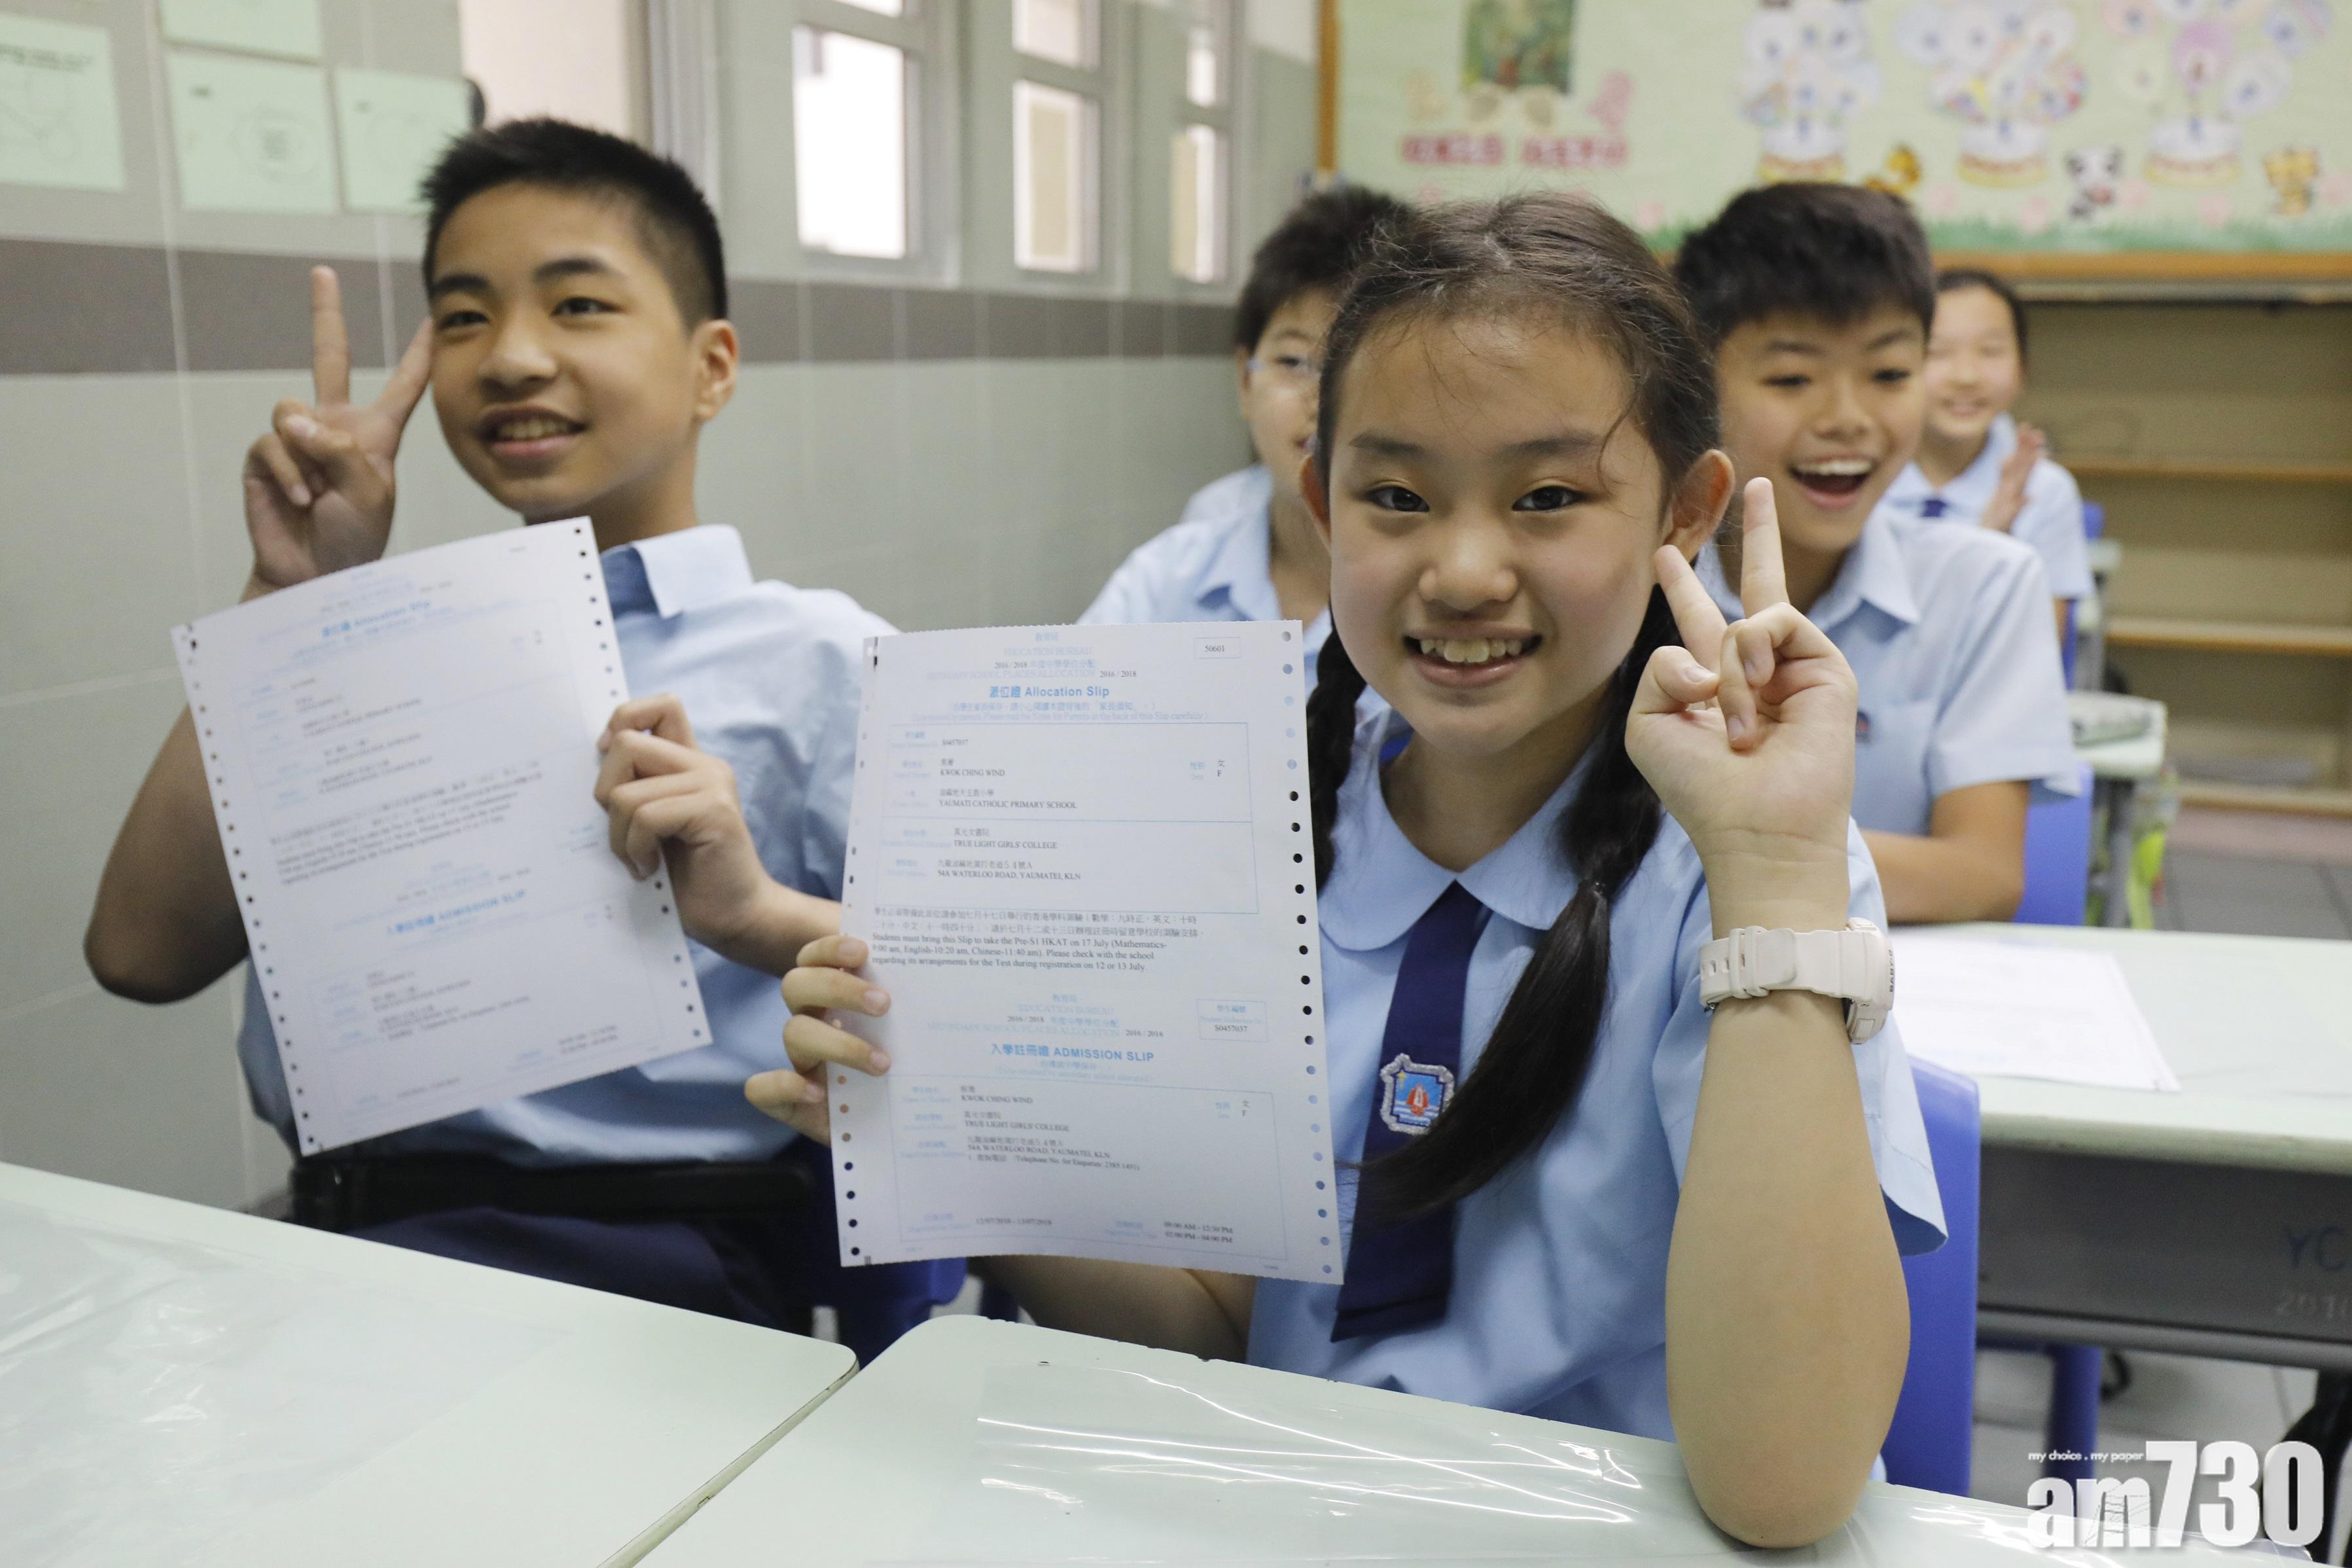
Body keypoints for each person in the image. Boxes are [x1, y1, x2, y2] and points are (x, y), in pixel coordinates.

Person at [753, 194, 1945, 1548]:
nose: (1463, 568)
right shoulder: (1220, 822)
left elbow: (1782, 1487)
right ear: (1325, 505)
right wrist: (954, 1141)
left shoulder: (1749, 866)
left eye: (1548, 497)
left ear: (1686, 509)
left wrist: (1779, 877)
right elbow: (1213, 1334)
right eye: (1397, 497)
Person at [82, 118, 957, 1359]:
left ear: (712, 367)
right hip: (340, 1257)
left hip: (659, 1284)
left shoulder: (825, 662)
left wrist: (755, 907)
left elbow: (976, 1021)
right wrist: (289, 602)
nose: (513, 358)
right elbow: (139, 949)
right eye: (462, 318)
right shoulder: (363, 640)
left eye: (580, 305)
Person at [1674, 186, 2078, 925]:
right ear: (1701, 383)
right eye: (1792, 378)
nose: (1848, 419)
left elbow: (1984, 872)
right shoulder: (1639, 583)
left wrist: (1736, 845)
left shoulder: (1985, 583)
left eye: (1889, 374)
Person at [1080, 185, 1408, 656]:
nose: (1322, 399)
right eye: (1295, 361)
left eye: (1359, 365)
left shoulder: (1453, 593)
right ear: (1243, 381)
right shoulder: (1167, 579)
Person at [1878, 268, 2092, 641]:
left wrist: (1996, 548)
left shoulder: (2046, 491)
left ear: (2022, 368)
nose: (1965, 376)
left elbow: (2039, 653)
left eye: (1991, 352)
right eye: (1937, 352)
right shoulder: (1861, 478)